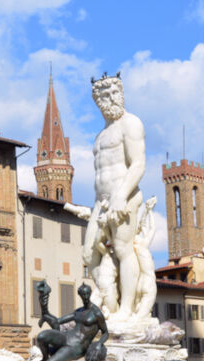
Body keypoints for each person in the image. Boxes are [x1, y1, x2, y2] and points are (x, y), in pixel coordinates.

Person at [84, 73, 149, 323]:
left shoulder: (130, 123)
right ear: (97, 101)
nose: (111, 98)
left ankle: (127, 310)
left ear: (122, 93)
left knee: (123, 249)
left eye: (114, 93)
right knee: (89, 255)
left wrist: (121, 195)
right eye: (104, 95)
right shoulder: (100, 136)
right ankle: (108, 303)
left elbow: (138, 164)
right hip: (101, 202)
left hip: (124, 196)